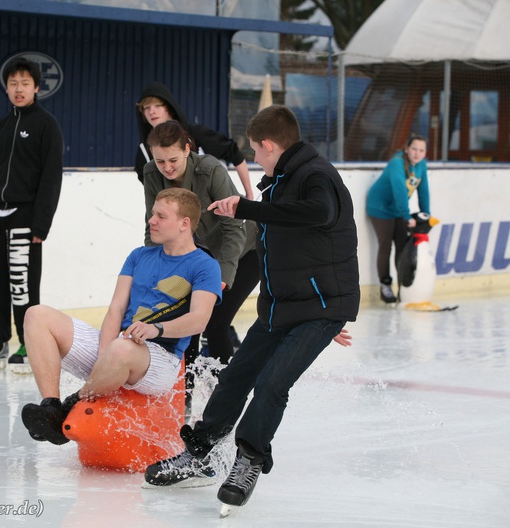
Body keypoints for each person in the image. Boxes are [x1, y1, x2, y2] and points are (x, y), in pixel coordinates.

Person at [143, 105, 360, 510]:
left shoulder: (317, 176)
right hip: (283, 306)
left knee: (273, 383)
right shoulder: (280, 181)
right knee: (237, 375)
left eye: (256, 152)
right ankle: (201, 450)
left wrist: (246, 207)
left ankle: (249, 459)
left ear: (270, 145)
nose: (254, 159)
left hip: (321, 306)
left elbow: (319, 214)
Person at [20, 188, 222, 445]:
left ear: (184, 224)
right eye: (152, 214)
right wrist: (105, 351)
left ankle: (69, 407)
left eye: (161, 216)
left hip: (160, 359)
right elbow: (115, 309)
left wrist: (156, 329)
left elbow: (199, 319)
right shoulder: (139, 255)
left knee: (122, 348)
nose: (152, 220)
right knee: (36, 315)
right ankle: (50, 405)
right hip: (119, 347)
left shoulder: (205, 265)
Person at [0, 57, 64, 374]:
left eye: (25, 83)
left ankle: (29, 341)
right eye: (13, 84)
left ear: (36, 88)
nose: (18, 89)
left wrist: (42, 224)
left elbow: (52, 178)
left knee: (21, 283)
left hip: (26, 217)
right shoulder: (3, 125)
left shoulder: (46, 125)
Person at [142, 120, 259, 367]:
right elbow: (153, 224)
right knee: (184, 326)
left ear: (187, 149)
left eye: (173, 160)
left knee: (214, 323)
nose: (167, 168)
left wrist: (224, 276)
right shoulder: (152, 173)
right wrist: (152, 270)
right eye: (160, 161)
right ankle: (185, 400)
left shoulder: (210, 169)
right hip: (201, 260)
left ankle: (225, 393)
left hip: (245, 252)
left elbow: (233, 226)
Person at [135, 82, 254, 199]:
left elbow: (234, 152)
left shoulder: (197, 134)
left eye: (158, 105)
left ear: (169, 107)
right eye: (146, 107)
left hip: (218, 205)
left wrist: (249, 193)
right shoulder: (144, 150)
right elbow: (150, 188)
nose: (152, 111)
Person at [366, 134, 430, 303]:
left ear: (425, 153)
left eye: (421, 150)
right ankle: (385, 285)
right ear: (407, 149)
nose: (417, 153)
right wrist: (407, 216)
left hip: (397, 210)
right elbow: (399, 191)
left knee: (403, 246)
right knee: (385, 245)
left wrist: (426, 215)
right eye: (414, 149)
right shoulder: (397, 163)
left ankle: (403, 284)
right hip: (380, 208)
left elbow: (424, 191)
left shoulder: (421, 165)